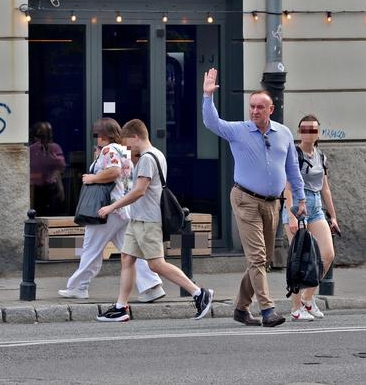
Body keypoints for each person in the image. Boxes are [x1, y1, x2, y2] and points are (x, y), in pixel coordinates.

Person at [202, 67, 307, 328]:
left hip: (272, 203)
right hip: (245, 199)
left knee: (264, 259)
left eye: (261, 107)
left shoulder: (283, 133)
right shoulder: (239, 131)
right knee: (258, 257)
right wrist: (207, 97)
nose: (255, 111)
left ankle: (240, 308)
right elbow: (212, 123)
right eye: (252, 107)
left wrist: (301, 200)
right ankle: (267, 309)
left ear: (271, 109)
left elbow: (292, 169)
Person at [95, 119, 213, 322]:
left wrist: (112, 207)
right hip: (138, 219)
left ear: (136, 137)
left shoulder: (149, 158)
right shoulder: (153, 155)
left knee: (156, 264)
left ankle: (199, 293)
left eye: (128, 145)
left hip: (148, 220)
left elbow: (139, 191)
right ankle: (121, 307)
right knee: (127, 258)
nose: (128, 149)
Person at [58, 118, 165, 302]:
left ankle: (78, 287)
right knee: (130, 252)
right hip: (122, 209)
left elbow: (114, 172)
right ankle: (152, 286)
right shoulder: (124, 151)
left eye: (97, 135)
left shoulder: (109, 150)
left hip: (108, 209)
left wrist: (92, 178)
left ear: (103, 135)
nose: (96, 138)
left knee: (91, 248)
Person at [282, 115, 340, 321]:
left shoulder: (320, 156)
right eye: (305, 130)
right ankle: (295, 308)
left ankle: (308, 298)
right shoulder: (294, 154)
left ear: (318, 133)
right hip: (298, 206)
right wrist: (291, 215)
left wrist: (333, 216)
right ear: (299, 132)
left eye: (313, 130)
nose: (309, 133)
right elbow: (287, 188)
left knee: (327, 254)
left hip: (315, 207)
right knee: (299, 259)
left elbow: (325, 188)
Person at [29, 121, 66, 216]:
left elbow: (61, 166)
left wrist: (51, 155)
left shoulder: (55, 148)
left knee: (52, 214)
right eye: (41, 136)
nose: (44, 139)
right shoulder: (32, 150)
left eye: (46, 136)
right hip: (35, 188)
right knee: (37, 214)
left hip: (51, 187)